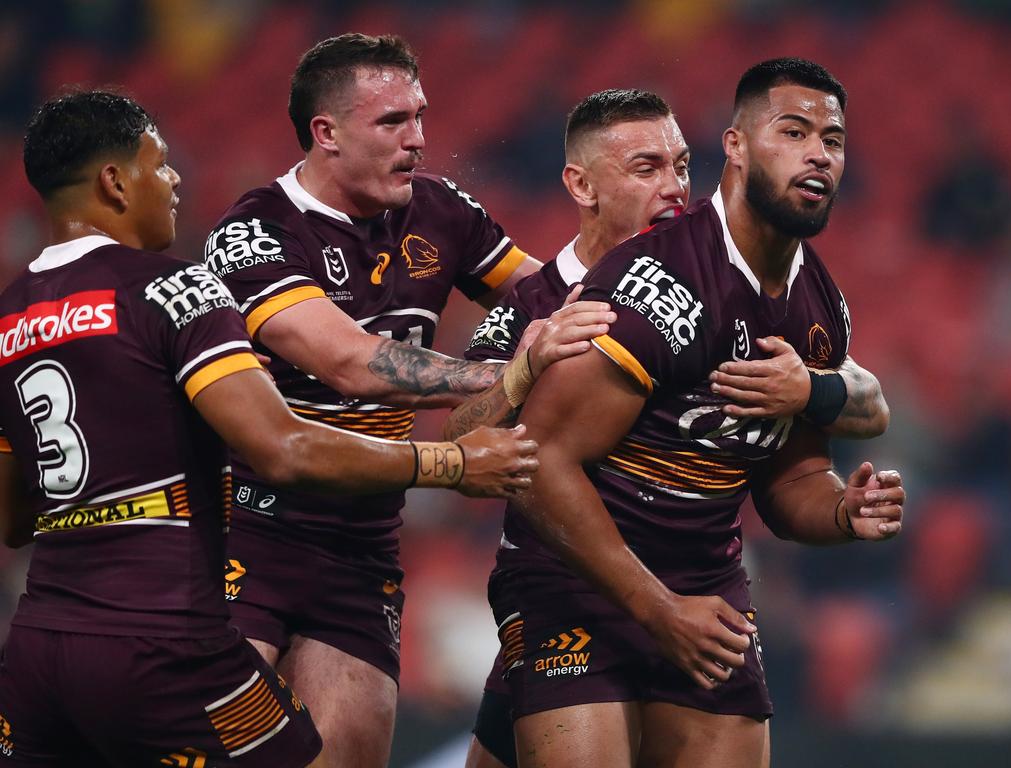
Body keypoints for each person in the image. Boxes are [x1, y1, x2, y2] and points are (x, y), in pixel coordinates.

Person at [0, 90, 538, 767]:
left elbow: (14, 517)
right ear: (114, 181)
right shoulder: (175, 290)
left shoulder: (8, 319)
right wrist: (452, 464)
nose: (174, 182)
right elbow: (285, 447)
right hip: (164, 635)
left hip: (37, 647)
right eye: (159, 165)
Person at [462, 60, 905, 768]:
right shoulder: (648, 286)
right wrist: (659, 611)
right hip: (579, 588)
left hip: (707, 598)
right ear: (737, 145)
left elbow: (790, 481)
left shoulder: (821, 308)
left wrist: (842, 513)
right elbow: (536, 463)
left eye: (833, 138)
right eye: (794, 131)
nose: (819, 151)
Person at [203, 33, 612, 767]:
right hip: (246, 534)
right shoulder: (254, 230)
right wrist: (506, 375)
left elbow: (542, 299)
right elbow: (347, 362)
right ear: (325, 133)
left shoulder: (438, 210)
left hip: (363, 546)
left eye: (420, 117)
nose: (419, 140)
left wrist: (646, 292)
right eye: (392, 123)